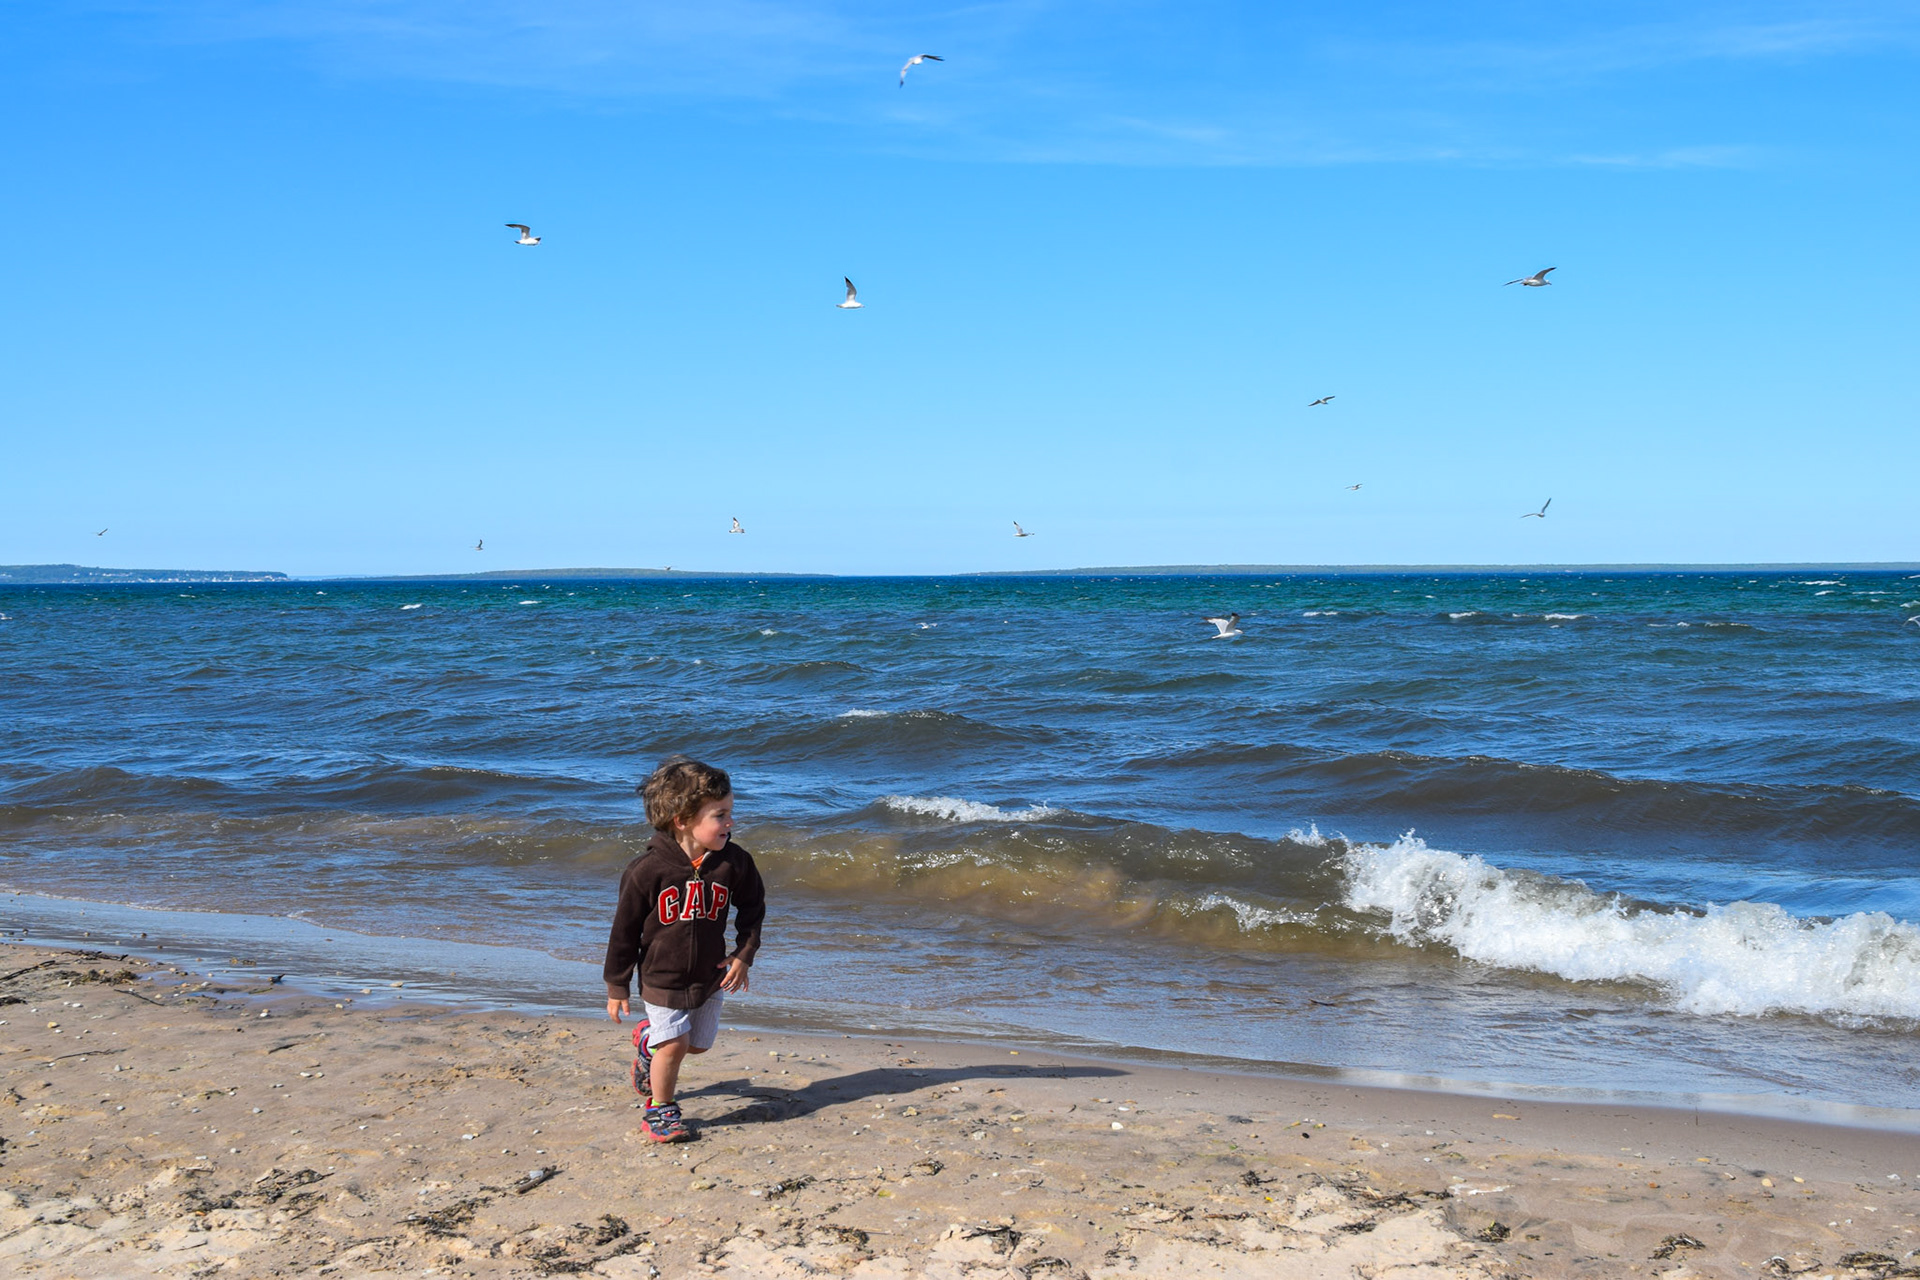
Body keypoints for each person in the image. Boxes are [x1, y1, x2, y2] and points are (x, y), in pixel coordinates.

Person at [603, 756, 765, 1143]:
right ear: (682, 820)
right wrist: (617, 984)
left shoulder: (735, 863)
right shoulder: (646, 870)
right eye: (720, 815)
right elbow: (623, 931)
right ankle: (660, 1110)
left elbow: (753, 908)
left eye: (730, 813)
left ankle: (648, 1040)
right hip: (661, 976)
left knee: (696, 1045)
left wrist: (743, 954)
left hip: (710, 974)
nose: (730, 822)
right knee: (674, 1045)